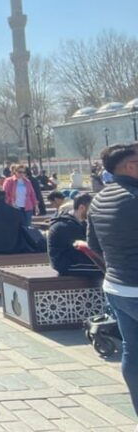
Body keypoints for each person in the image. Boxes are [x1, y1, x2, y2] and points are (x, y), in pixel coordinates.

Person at [88, 143, 138, 413]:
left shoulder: (99, 198)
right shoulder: (134, 197)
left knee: (133, 351)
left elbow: (93, 243)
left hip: (117, 287)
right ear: (130, 166)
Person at [48, 193, 101, 278]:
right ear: (82, 208)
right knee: (107, 272)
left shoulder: (81, 223)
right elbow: (85, 248)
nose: (94, 213)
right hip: (67, 265)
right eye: (92, 210)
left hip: (78, 261)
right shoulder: (64, 226)